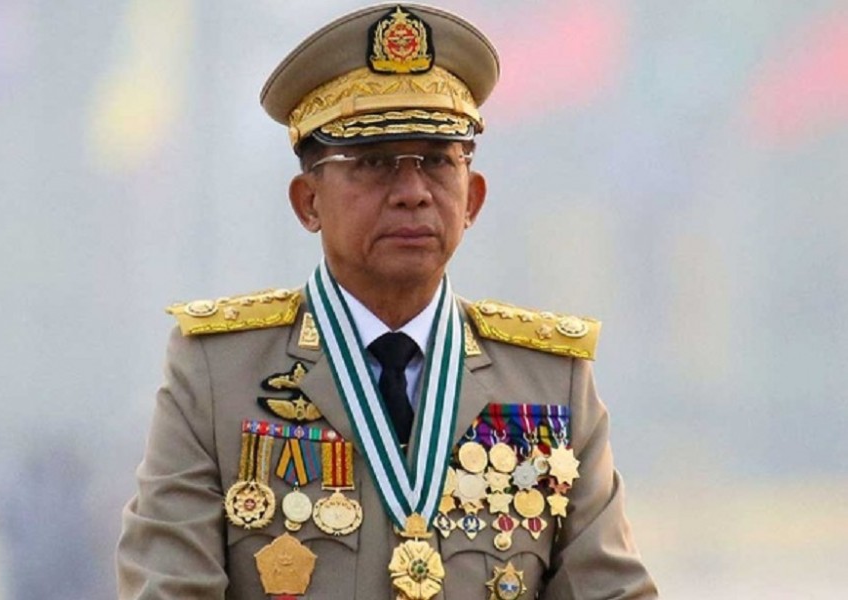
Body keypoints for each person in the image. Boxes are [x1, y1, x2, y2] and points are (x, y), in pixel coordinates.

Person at [116, 3, 658, 599]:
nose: (412, 194)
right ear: (308, 201)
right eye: (373, 163)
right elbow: (170, 586)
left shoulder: (551, 381)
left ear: (472, 197)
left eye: (435, 161)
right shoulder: (218, 373)